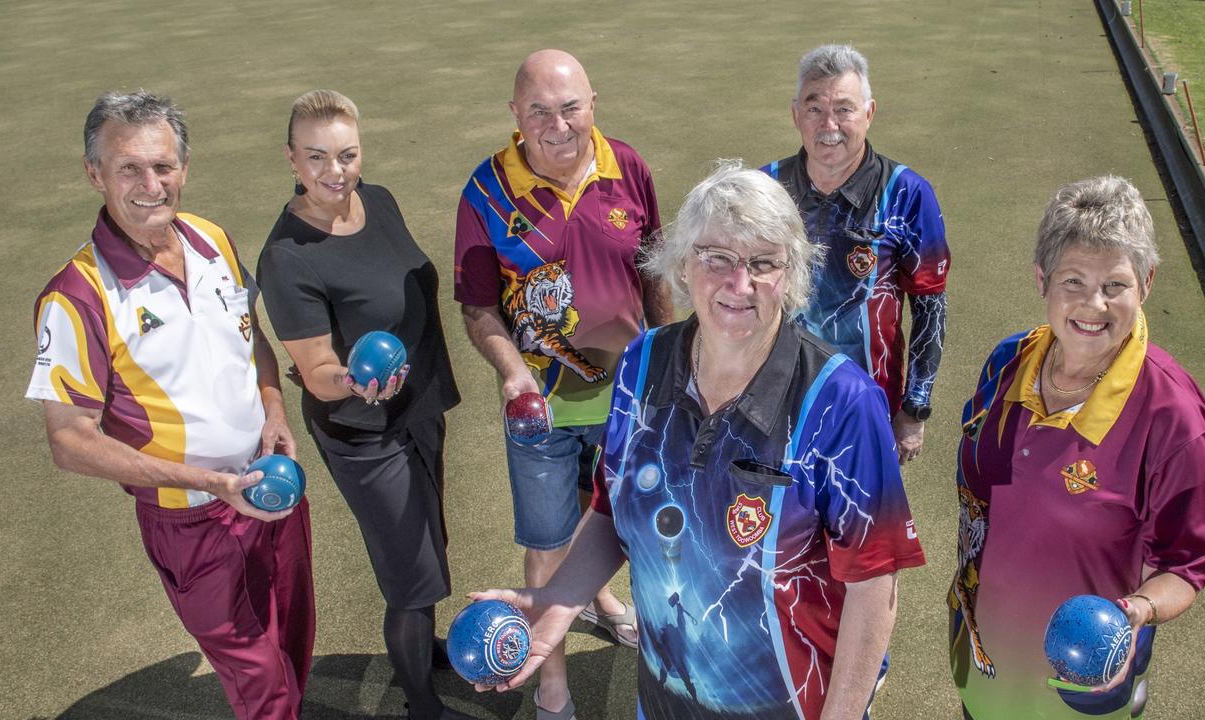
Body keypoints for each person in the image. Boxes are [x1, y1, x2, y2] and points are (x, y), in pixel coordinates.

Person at [474, 162, 927, 720]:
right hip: (664, 704)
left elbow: (874, 582)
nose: (740, 284)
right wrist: (558, 599)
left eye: (764, 262)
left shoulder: (843, 400)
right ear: (684, 265)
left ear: (791, 275)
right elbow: (614, 508)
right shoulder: (642, 363)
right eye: (717, 258)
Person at [26, 91, 314, 719]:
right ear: (93, 173)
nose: (150, 184)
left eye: (163, 166)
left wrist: (275, 410)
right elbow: (70, 441)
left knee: (293, 648)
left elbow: (252, 339)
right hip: (192, 522)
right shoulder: (75, 295)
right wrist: (211, 482)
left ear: (184, 168)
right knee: (259, 676)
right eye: (128, 167)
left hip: (275, 488)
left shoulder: (212, 237)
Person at [949, 176, 1205, 719]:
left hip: (1078, 694)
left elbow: (1185, 564)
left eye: (1115, 285)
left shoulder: (1175, 420)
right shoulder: (1007, 361)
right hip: (986, 662)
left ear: (1146, 283)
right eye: (1073, 280)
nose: (1093, 304)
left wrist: (1137, 610)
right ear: (1041, 280)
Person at [454, 49, 672, 719]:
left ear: (593, 104)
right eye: (540, 111)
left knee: (634, 525)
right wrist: (515, 371)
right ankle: (553, 685)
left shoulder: (627, 166)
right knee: (548, 544)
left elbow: (655, 271)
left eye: (571, 107)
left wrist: (670, 362)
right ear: (516, 115)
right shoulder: (486, 191)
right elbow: (478, 306)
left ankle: (611, 609)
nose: (558, 125)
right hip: (539, 407)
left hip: (630, 399)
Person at [254, 90, 469, 720]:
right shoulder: (287, 258)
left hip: (417, 406)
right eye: (317, 157)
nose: (335, 171)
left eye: (346, 154)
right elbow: (317, 372)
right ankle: (421, 704)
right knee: (409, 571)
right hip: (364, 431)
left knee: (429, 539)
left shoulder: (376, 199)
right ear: (291, 158)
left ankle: (422, 648)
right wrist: (356, 382)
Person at [765, 43, 950, 465]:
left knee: (862, 529)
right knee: (781, 527)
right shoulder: (766, 190)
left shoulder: (907, 194)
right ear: (796, 114)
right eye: (815, 109)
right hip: (775, 409)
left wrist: (915, 408)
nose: (829, 125)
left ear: (869, 113)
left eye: (844, 109)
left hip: (869, 407)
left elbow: (930, 308)